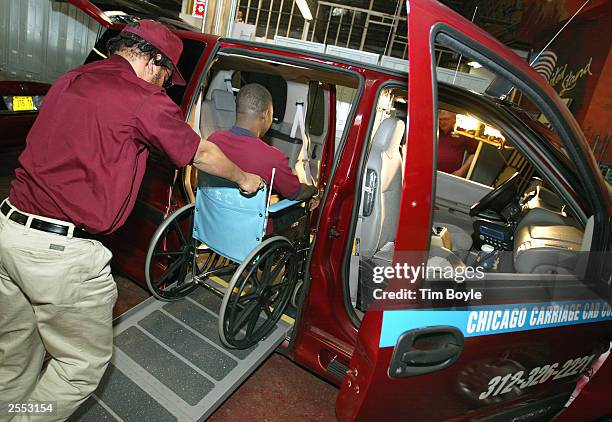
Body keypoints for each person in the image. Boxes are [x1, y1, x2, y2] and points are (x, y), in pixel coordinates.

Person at [0, 20, 261, 421]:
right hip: (59, 254)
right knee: (79, 369)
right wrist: (245, 178)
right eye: (164, 76)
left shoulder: (74, 76)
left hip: (10, 231)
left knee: (15, 351)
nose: (163, 85)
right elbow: (201, 155)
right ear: (153, 60)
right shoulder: (142, 98)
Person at [206, 83, 321, 213]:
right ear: (265, 114)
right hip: (252, 230)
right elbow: (296, 193)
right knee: (298, 214)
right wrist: (315, 191)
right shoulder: (273, 158)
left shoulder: (212, 141)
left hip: (212, 219)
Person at [437, 110, 478, 177]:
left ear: (454, 119)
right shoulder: (433, 130)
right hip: (429, 173)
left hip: (451, 176)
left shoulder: (463, 132)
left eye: (446, 119)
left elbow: (474, 154)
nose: (442, 122)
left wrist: (461, 171)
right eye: (440, 119)